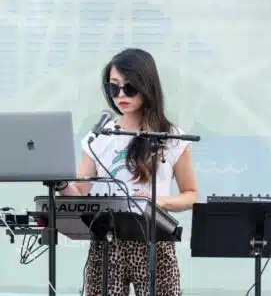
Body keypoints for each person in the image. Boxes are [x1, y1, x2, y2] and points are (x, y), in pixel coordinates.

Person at [58, 48, 199, 296]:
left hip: (155, 240)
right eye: (114, 87)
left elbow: (191, 194)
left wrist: (155, 203)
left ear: (147, 86)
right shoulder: (98, 137)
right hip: (108, 240)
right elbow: (79, 193)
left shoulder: (171, 137)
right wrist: (60, 184)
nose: (120, 95)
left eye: (129, 87)